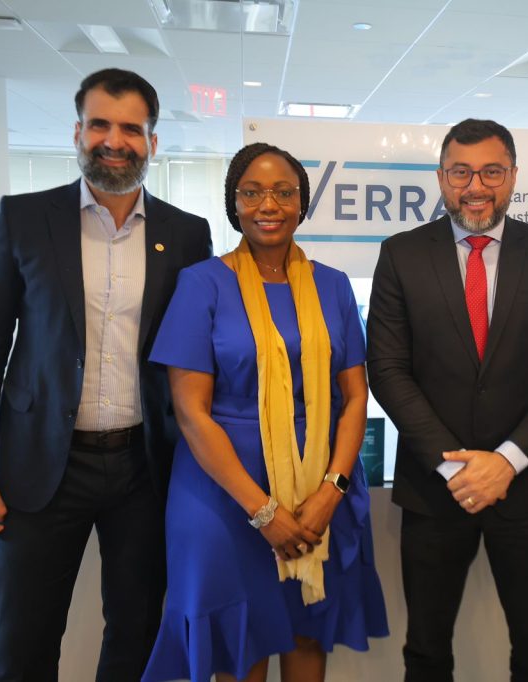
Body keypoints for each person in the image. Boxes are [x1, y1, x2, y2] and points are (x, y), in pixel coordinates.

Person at [0, 68, 211, 681]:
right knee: (25, 642)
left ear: (152, 141)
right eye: (99, 125)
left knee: (138, 638)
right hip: (40, 466)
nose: (113, 141)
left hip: (145, 470)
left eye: (131, 129)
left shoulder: (186, 234)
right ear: (77, 132)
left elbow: (197, 355)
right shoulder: (23, 219)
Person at [141, 142, 388, 682]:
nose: (268, 205)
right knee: (239, 646)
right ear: (234, 204)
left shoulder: (332, 285)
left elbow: (354, 398)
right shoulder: (202, 283)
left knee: (307, 634)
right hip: (223, 495)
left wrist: (331, 492)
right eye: (251, 193)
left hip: (318, 490)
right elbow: (191, 412)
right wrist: (263, 512)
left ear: (302, 202)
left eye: (283, 192)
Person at [367, 118, 528, 682]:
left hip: (527, 488)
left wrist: (507, 462)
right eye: (461, 172)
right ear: (441, 178)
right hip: (434, 488)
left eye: (491, 172)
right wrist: (456, 467)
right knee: (426, 653)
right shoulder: (401, 255)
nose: (476, 186)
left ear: (513, 176)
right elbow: (388, 371)